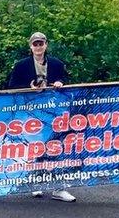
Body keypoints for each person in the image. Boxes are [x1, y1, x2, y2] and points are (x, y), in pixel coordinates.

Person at [6, 31, 75, 202]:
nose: (38, 47)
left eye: (41, 44)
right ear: (30, 46)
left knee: (58, 148)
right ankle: (35, 183)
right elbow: (11, 86)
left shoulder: (57, 64)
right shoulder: (21, 65)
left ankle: (59, 188)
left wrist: (60, 84)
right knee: (35, 148)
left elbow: (66, 83)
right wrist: (28, 87)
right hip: (31, 112)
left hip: (55, 113)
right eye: (35, 44)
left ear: (46, 45)